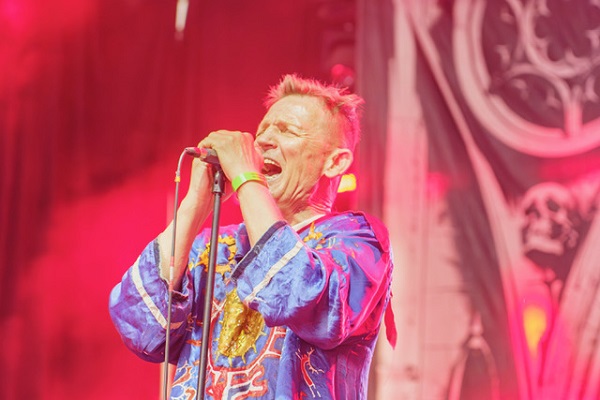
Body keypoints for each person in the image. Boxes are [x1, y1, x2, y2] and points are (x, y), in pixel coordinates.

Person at [109, 74, 395, 399]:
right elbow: (140, 327)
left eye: (287, 131)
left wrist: (246, 177)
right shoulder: (214, 246)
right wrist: (196, 204)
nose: (263, 142)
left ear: (335, 162)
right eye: (262, 132)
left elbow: (301, 295)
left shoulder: (359, 241)